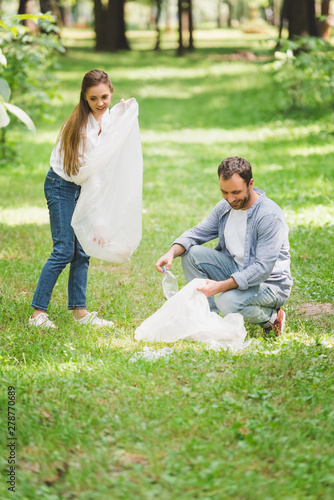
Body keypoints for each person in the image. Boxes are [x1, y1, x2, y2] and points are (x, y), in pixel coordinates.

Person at [155, 156, 293, 335]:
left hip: (269, 284)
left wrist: (219, 287)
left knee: (227, 302)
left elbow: (262, 268)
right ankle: (210, 320)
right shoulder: (225, 207)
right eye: (224, 192)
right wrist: (171, 252)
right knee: (191, 254)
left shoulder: (269, 216)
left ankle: (273, 318)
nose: (230, 198)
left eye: (236, 192)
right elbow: (198, 233)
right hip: (236, 269)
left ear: (250, 184)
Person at [29, 69, 118, 329]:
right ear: (85, 98)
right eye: (94, 99)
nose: (101, 103)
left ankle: (80, 312)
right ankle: (37, 314)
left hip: (80, 185)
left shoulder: (105, 117)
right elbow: (93, 179)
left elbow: (115, 123)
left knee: (82, 251)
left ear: (111, 92)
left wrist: (124, 111)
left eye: (105, 97)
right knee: (64, 250)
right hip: (61, 185)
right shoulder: (82, 130)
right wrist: (99, 222)